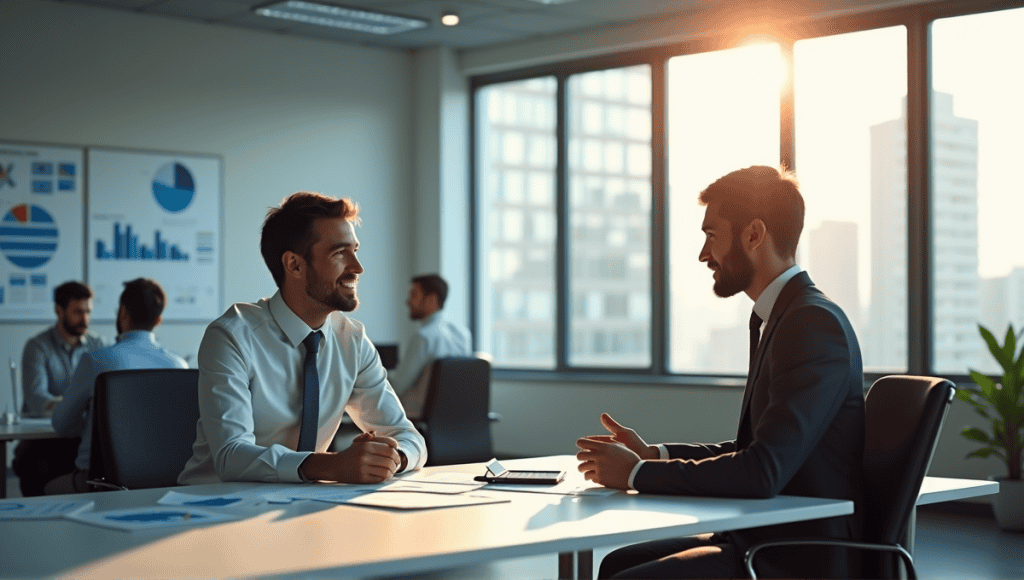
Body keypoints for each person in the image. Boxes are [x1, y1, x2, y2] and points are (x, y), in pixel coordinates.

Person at [576, 166, 866, 579]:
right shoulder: (785, 317)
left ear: (753, 235)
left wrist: (636, 474)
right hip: (760, 533)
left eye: (711, 235)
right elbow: (757, 449)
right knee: (617, 563)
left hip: (795, 554)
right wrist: (653, 455)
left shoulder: (811, 325)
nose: (703, 254)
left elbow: (763, 470)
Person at [178, 191, 426, 485]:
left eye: (355, 250)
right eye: (339, 253)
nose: (358, 268)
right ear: (294, 265)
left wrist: (390, 459)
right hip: (211, 508)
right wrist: (333, 467)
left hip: (300, 506)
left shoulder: (352, 340)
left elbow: (408, 437)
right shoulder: (232, 336)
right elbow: (232, 455)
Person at [46, 278, 187, 494]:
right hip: (164, 483)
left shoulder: (96, 361)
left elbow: (61, 424)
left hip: (101, 482)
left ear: (122, 313)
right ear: (158, 320)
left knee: (46, 487)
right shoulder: (180, 365)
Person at [12, 281, 110, 496]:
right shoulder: (37, 347)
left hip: (81, 439)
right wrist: (79, 404)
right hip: (44, 442)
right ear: (59, 310)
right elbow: (38, 400)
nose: (85, 319)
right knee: (36, 468)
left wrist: (69, 405)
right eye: (77, 312)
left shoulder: (98, 345)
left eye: (88, 312)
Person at [387, 274, 472, 418]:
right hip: (454, 421)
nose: (407, 301)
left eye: (413, 295)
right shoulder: (462, 334)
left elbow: (397, 387)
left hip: (416, 419)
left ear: (432, 299)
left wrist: (370, 373)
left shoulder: (423, 338)